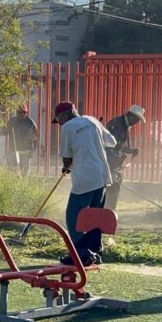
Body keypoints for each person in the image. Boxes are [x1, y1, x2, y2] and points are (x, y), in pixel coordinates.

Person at [52, 102, 117, 266]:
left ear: (65, 115)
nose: (59, 124)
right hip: (102, 176)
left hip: (85, 178)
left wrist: (66, 167)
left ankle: (80, 254)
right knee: (96, 217)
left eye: (58, 120)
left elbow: (67, 157)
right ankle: (95, 252)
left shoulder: (68, 127)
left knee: (74, 216)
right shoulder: (93, 120)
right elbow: (112, 142)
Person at [104, 105, 146, 211]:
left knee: (114, 188)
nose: (136, 122)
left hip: (116, 164)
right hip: (110, 163)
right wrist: (115, 159)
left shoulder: (124, 125)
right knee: (111, 188)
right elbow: (108, 145)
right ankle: (107, 212)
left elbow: (121, 146)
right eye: (136, 119)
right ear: (130, 115)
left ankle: (110, 212)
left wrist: (131, 150)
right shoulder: (117, 124)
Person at [3, 105, 38, 175]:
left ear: (26, 112)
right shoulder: (12, 121)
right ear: (17, 112)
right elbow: (5, 132)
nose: (22, 114)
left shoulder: (30, 122)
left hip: (26, 150)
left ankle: (23, 185)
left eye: (24, 112)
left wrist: (33, 150)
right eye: (20, 112)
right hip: (13, 149)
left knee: (25, 171)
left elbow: (35, 137)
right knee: (13, 171)